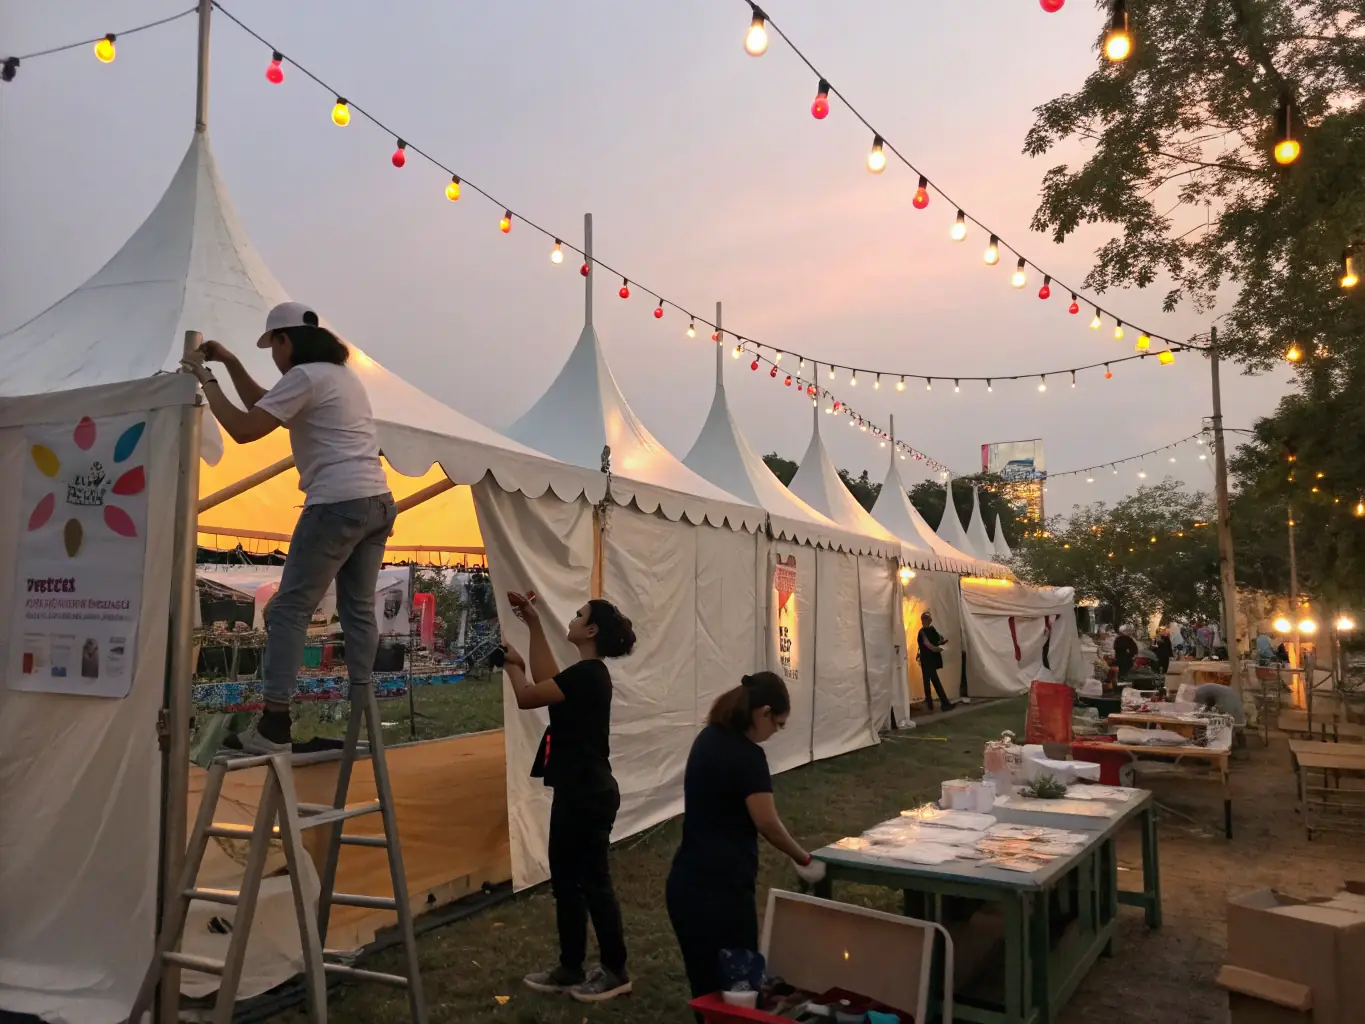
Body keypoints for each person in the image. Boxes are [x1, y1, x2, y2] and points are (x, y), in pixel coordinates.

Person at [181, 302, 393, 753]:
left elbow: (243, 427)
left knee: (287, 611)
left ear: (285, 340)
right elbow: (265, 404)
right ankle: (364, 712)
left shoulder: (304, 377)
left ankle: (274, 723)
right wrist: (233, 362)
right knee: (357, 611)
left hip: (335, 503)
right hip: (376, 501)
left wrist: (207, 379)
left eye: (273, 347)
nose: (274, 358)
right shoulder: (340, 377)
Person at [501, 592, 636, 1004]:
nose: (573, 619)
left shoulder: (590, 675)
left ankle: (615, 971)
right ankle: (570, 966)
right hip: (576, 790)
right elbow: (546, 681)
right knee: (567, 882)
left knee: (593, 883)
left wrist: (512, 667)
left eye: (579, 616)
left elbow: (528, 694)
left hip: (588, 794)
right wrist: (533, 622)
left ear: (591, 630)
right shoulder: (584, 674)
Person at [666, 672, 825, 1012]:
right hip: (721, 891)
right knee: (737, 988)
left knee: (706, 987)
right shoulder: (747, 756)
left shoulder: (708, 738)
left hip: (686, 884)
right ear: (763, 712)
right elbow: (766, 821)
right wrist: (804, 859)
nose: (775, 733)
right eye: (778, 724)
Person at [916, 612, 954, 712]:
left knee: (929, 682)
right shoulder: (923, 632)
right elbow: (929, 645)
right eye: (928, 619)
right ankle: (941, 704)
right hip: (927, 660)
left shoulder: (929, 631)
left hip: (928, 661)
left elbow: (937, 641)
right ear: (925, 620)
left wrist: (941, 643)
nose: (929, 621)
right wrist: (939, 647)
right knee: (931, 682)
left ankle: (931, 705)